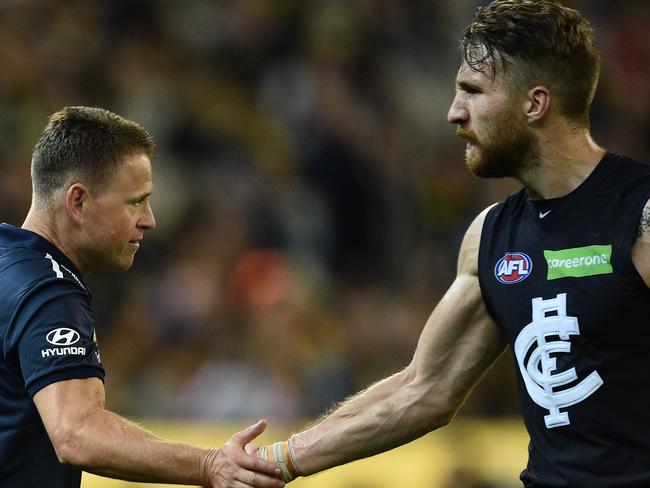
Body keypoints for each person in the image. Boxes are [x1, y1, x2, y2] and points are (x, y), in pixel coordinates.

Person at [250, 1, 650, 487]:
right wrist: (277, 462)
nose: (453, 112)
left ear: (534, 104)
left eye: (472, 92)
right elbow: (423, 390)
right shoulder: (491, 236)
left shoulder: (641, 214)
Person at [0, 106, 285, 488]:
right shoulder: (50, 291)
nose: (149, 219)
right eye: (135, 201)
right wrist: (209, 465)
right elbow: (77, 433)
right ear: (78, 202)